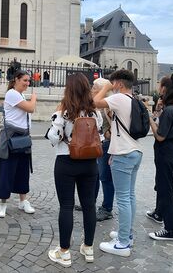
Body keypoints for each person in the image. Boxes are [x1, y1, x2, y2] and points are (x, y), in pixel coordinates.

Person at [47, 73, 100, 267]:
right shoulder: (94, 112)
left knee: (66, 206)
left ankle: (64, 252)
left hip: (66, 161)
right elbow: (99, 134)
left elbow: (54, 137)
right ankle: (88, 247)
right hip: (90, 162)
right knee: (89, 205)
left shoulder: (64, 111)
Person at [94, 69, 143, 257]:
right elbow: (117, 127)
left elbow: (93, 103)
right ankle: (127, 234)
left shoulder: (120, 98)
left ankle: (122, 244)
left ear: (119, 84)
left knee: (123, 198)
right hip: (134, 151)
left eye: (113, 84)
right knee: (129, 196)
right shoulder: (133, 100)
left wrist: (105, 85)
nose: (111, 87)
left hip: (123, 154)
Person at [0, 70, 36, 218]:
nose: (27, 83)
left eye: (28, 81)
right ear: (16, 80)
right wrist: (34, 98)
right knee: (7, 170)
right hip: (12, 136)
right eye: (25, 80)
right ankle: (3, 203)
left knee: (22, 170)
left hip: (23, 136)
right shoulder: (12, 93)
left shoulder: (21, 95)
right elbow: (31, 108)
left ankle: (23, 201)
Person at [147, 73, 173, 241]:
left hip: (166, 152)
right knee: (162, 185)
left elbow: (160, 136)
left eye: (160, 85)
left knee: (166, 190)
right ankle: (159, 213)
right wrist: (158, 111)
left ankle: (170, 229)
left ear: (165, 89)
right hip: (171, 152)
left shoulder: (170, 111)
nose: (158, 88)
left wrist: (150, 120)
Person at [92, 78, 115, 222]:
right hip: (97, 143)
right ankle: (89, 202)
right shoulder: (99, 103)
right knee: (94, 174)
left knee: (105, 177)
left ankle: (107, 208)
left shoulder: (108, 104)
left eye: (94, 87)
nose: (91, 88)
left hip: (106, 144)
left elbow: (114, 126)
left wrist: (108, 134)